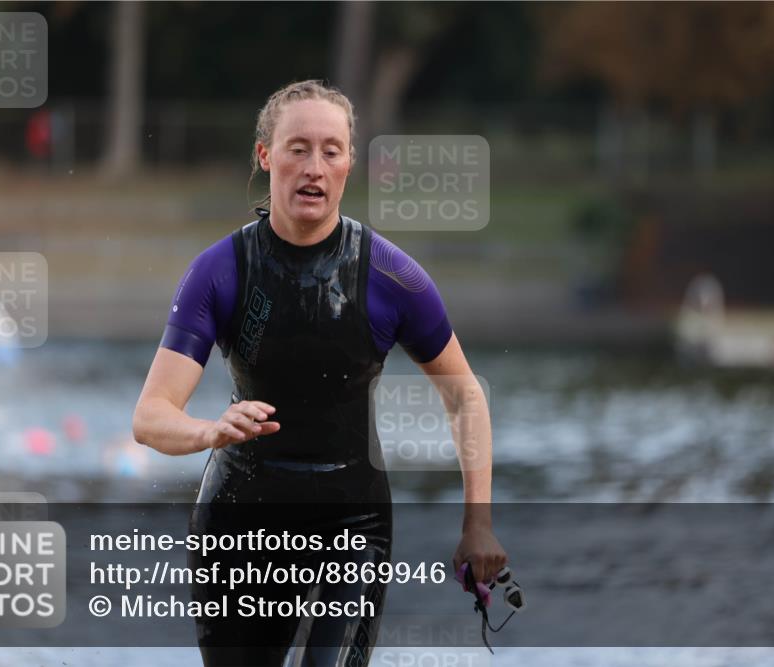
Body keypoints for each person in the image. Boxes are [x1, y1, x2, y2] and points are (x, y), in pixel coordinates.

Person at [133, 79, 506, 667]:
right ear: (265, 155)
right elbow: (150, 418)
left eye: (331, 150)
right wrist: (210, 430)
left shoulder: (393, 278)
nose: (314, 166)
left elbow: (465, 398)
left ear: (349, 163)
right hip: (240, 519)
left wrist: (477, 524)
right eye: (297, 148)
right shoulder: (219, 272)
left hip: (352, 521)